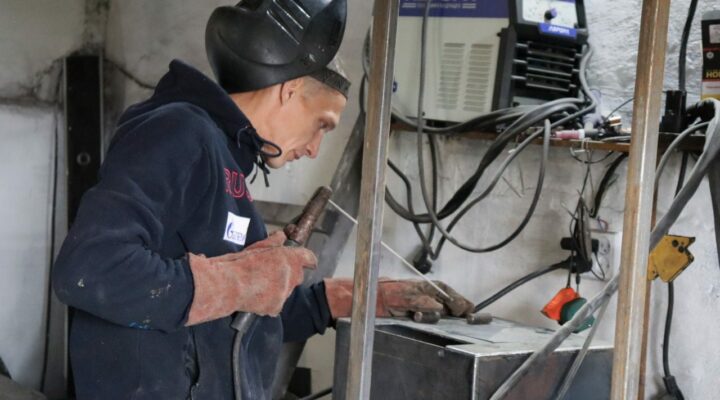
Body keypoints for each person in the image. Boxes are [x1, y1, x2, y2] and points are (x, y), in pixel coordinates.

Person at [52, 1, 474, 399]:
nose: (314, 149)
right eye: (322, 124)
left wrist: (353, 298)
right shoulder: (180, 132)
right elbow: (89, 268)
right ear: (290, 90)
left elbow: (240, 316)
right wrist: (239, 279)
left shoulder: (227, 159)